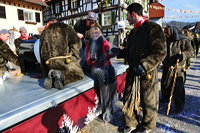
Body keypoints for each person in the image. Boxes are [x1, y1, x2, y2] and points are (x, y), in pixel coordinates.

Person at [119, 3, 166, 133]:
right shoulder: (133, 31)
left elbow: (160, 51)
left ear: (133, 14)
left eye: (127, 15)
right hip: (133, 71)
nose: (127, 18)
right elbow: (129, 50)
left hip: (147, 72)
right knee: (128, 98)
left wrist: (144, 65)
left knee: (148, 100)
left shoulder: (153, 28)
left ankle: (148, 125)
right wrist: (119, 52)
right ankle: (131, 123)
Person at [84, 27, 117, 122]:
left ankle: (109, 103)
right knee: (101, 75)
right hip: (95, 67)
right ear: (90, 34)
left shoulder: (104, 42)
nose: (95, 35)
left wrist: (110, 53)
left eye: (97, 33)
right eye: (93, 33)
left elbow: (109, 51)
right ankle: (105, 107)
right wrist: (92, 60)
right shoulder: (89, 44)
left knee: (111, 73)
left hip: (107, 65)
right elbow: (88, 60)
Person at [161, 26, 193, 114]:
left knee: (178, 89)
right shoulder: (166, 40)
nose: (166, 35)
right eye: (165, 34)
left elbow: (190, 51)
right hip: (167, 68)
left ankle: (179, 106)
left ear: (173, 32)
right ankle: (166, 99)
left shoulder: (183, 40)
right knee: (165, 85)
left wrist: (183, 55)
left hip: (178, 69)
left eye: (168, 33)